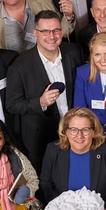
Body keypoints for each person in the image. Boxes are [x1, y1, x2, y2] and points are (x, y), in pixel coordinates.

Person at [6, 10, 84, 169]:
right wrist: (40, 102)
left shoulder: (75, 52)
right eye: (45, 31)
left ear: (62, 32)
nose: (52, 36)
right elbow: (12, 105)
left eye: (56, 30)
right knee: (46, 184)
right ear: (35, 34)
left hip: (77, 133)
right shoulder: (20, 66)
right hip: (41, 137)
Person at [41, 107, 106, 210]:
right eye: (73, 130)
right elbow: (45, 182)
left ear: (93, 132)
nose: (79, 136)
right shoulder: (53, 151)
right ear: (66, 131)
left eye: (85, 130)